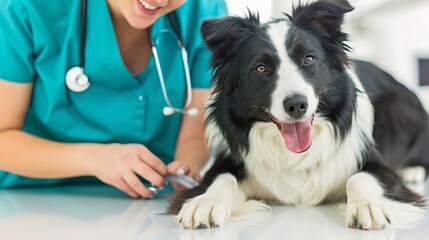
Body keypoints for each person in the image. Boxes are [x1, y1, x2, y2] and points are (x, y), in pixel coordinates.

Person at [0, 0, 228, 198]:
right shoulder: (26, 8)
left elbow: (195, 137)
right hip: (29, 198)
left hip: (148, 203)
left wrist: (185, 169)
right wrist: (95, 158)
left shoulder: (205, 11)